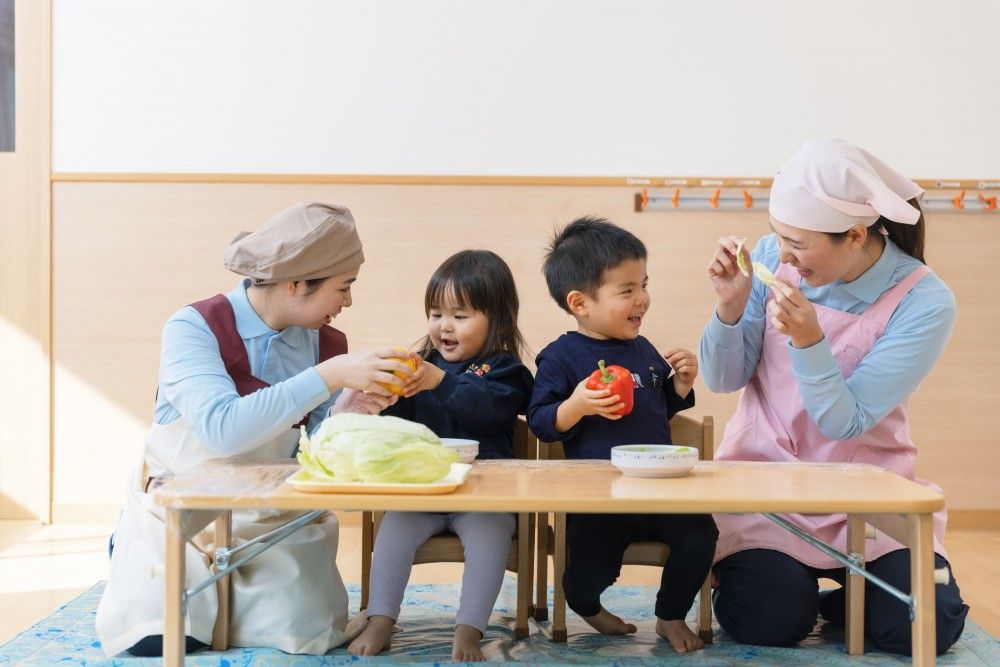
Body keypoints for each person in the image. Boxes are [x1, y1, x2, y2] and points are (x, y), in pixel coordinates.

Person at [96, 202, 416, 657]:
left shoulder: (327, 344)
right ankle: (130, 549)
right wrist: (330, 377)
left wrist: (347, 411)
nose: (348, 302)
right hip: (183, 510)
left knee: (304, 632)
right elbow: (221, 431)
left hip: (272, 517)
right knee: (161, 637)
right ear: (296, 284)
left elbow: (311, 453)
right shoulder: (194, 328)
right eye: (342, 288)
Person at [700, 139, 969, 655]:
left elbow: (846, 421)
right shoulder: (767, 260)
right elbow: (722, 378)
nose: (781, 256)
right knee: (772, 618)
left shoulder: (924, 300)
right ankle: (809, 593)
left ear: (855, 234)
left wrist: (809, 341)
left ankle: (846, 598)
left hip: (867, 496)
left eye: (797, 244)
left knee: (924, 628)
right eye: (777, 238)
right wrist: (730, 308)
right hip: (766, 488)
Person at [527, 217, 718, 654]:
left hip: (659, 488)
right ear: (580, 302)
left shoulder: (644, 349)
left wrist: (680, 388)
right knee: (587, 568)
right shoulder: (561, 357)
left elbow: (655, 413)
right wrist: (576, 404)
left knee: (701, 535)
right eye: (627, 290)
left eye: (644, 284)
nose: (642, 299)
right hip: (598, 495)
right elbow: (540, 421)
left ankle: (670, 614)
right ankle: (586, 606)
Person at [348, 249, 534, 662]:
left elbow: (487, 412)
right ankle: (381, 619)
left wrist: (439, 383)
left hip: (486, 495)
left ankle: (468, 630)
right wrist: (384, 397)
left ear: (497, 320)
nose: (444, 326)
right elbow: (398, 426)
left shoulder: (505, 371)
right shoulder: (422, 367)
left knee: (489, 544)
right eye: (436, 313)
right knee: (392, 533)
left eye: (460, 315)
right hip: (424, 491)